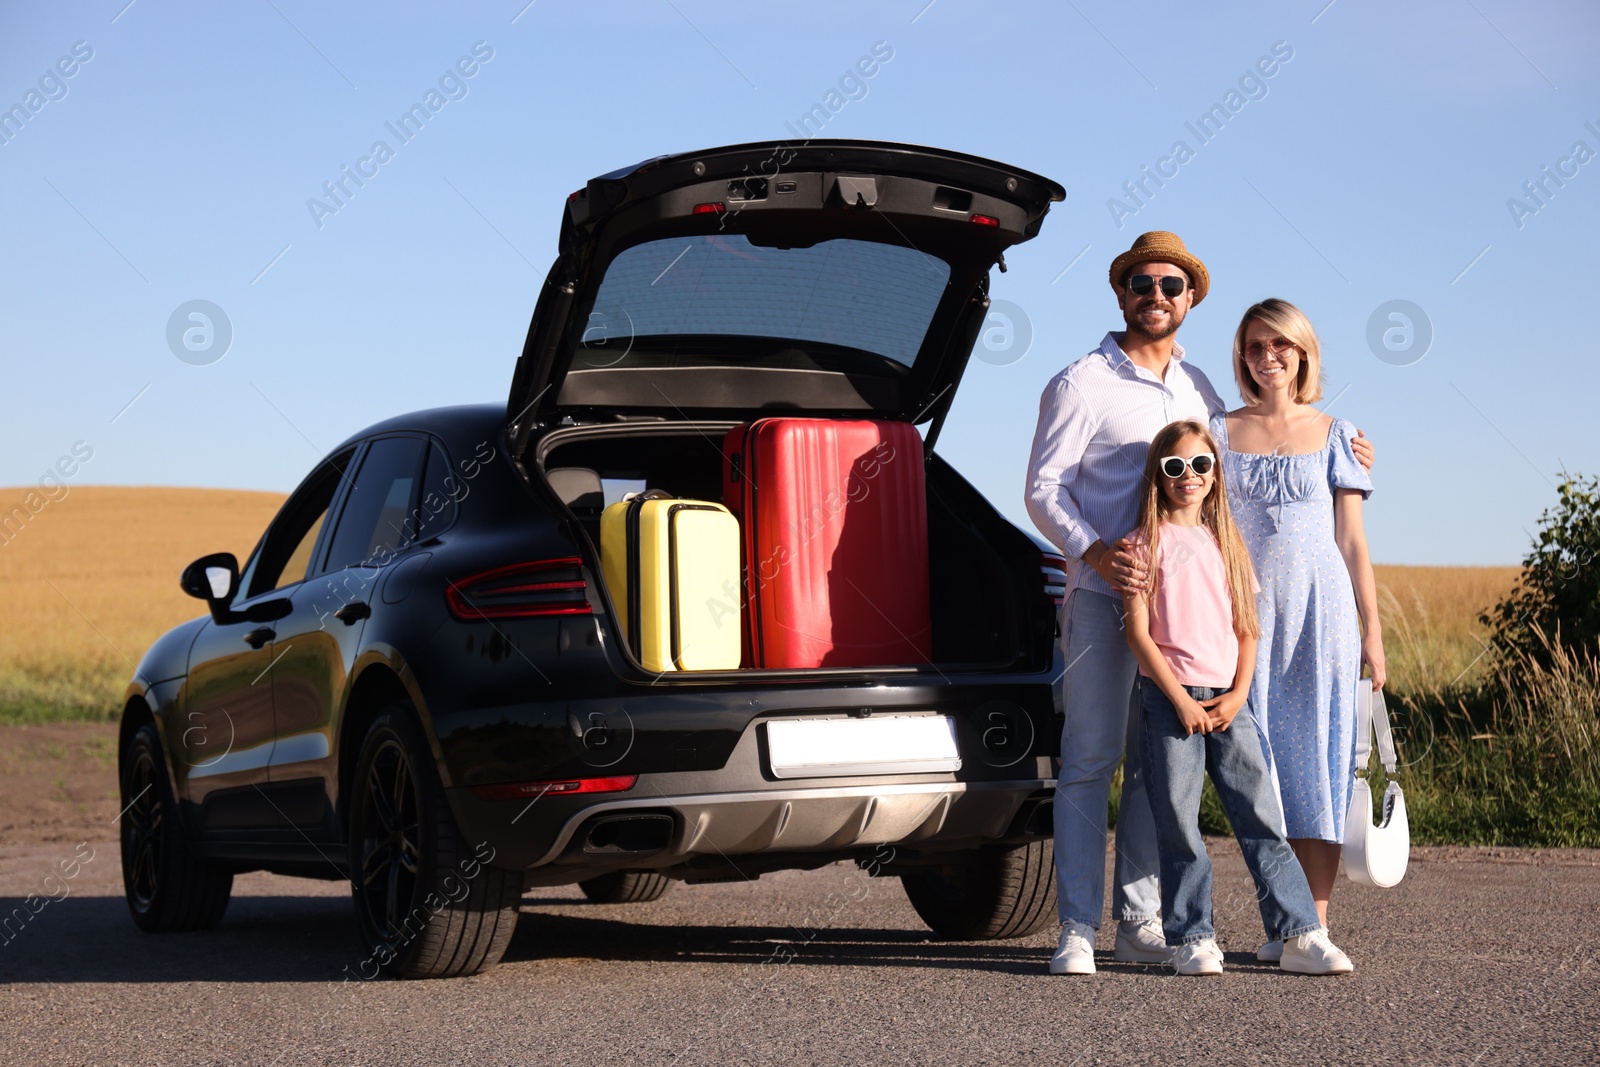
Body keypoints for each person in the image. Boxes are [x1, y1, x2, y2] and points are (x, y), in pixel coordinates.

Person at [1027, 234, 1373, 976]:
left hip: (1185, 616)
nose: (1158, 296)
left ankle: (1143, 920)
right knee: (1091, 759)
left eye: (1173, 286)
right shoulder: (1081, 382)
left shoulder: (1201, 392)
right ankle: (1078, 927)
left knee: (1159, 773)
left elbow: (1242, 464)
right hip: (1101, 596)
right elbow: (1043, 488)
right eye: (1144, 283)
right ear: (1122, 294)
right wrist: (1093, 550)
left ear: (1190, 300)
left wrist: (1343, 446)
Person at [1121, 419, 1353, 975]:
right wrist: (1178, 699)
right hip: (1168, 701)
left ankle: (1300, 932)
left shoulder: (1227, 542)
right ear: (1158, 474)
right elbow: (1137, 633)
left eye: (1201, 464)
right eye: (1175, 466)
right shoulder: (1142, 544)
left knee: (1260, 818)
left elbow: (1248, 629)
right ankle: (1192, 937)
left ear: (1215, 472)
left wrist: (1238, 694)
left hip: (1231, 700)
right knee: (1179, 825)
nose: (1189, 476)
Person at [1208, 298, 1382, 961]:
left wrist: (1374, 632)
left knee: (1320, 762)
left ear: (1303, 352)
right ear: (1243, 357)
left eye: (1281, 344)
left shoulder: (1340, 432)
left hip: (1323, 613)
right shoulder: (1219, 432)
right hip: (1247, 617)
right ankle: (1285, 921)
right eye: (1255, 346)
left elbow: (1354, 541)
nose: (1268, 356)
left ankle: (1315, 923)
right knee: (1260, 770)